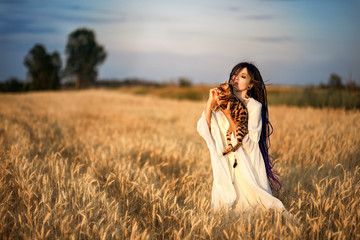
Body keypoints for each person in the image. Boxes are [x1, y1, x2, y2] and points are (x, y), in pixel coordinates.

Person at [197, 62, 286, 213]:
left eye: (243, 76)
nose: (236, 79)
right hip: (227, 161)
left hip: (247, 164)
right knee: (225, 215)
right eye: (234, 75)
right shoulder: (223, 101)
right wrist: (210, 102)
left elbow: (250, 143)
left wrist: (228, 115)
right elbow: (203, 128)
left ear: (250, 84)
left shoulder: (254, 107)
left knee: (255, 212)